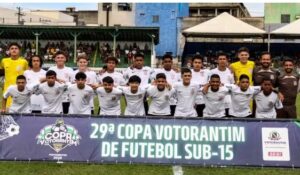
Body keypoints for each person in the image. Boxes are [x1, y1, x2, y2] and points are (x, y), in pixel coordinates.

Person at [0, 42, 28, 107]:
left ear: (19, 51)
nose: (14, 50)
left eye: (16, 48)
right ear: (9, 51)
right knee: (6, 111)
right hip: (7, 90)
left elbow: (28, 74)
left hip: (20, 89)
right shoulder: (4, 61)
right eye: (12, 48)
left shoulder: (24, 62)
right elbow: (1, 71)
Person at [210, 52, 234, 117]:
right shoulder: (212, 72)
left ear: (226, 60)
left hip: (228, 100)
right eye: (220, 59)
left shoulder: (230, 72)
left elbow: (233, 86)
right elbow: (209, 85)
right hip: (215, 100)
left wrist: (224, 86)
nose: (222, 60)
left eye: (224, 59)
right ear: (217, 60)